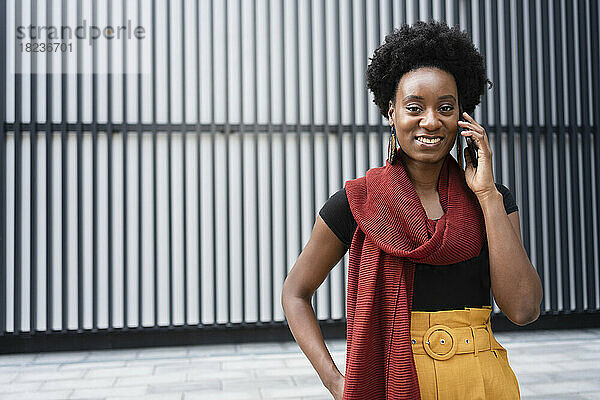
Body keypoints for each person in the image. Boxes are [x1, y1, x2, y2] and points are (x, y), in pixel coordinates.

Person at [281, 20, 543, 400]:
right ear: (391, 112)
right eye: (414, 107)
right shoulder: (358, 203)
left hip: (484, 382)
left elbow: (523, 309)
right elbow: (295, 293)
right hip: (393, 381)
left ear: (463, 118)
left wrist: (486, 194)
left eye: (446, 108)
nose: (431, 121)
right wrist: (336, 381)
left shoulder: (493, 201)